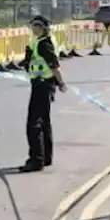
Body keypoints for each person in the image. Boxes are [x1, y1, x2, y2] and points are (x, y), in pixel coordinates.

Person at [21, 15, 67, 173]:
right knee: (44, 121)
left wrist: (61, 83)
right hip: (43, 83)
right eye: (32, 25)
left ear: (42, 27)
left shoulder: (44, 44)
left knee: (34, 124)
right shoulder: (40, 41)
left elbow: (54, 65)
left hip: (42, 85)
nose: (33, 28)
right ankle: (46, 156)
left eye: (36, 25)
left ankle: (36, 160)